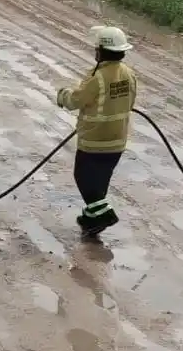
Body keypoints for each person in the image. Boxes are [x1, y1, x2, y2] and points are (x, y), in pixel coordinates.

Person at [56, 25, 137, 237]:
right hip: (117, 141)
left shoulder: (97, 77)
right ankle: (91, 219)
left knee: (82, 177)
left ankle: (105, 215)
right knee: (100, 181)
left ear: (100, 52)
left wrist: (62, 95)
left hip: (94, 140)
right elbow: (129, 102)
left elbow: (77, 100)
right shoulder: (129, 75)